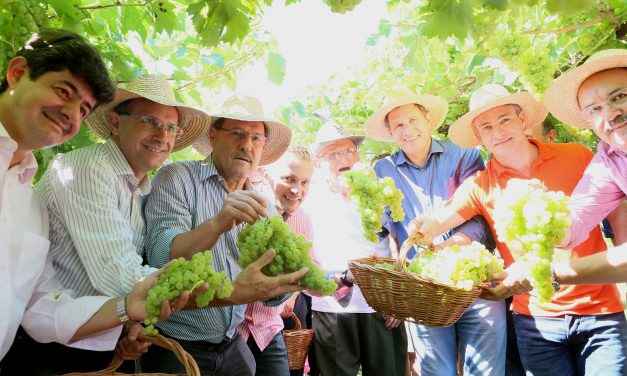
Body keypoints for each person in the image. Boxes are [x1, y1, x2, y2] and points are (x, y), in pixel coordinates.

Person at [0, 29, 191, 366]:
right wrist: (232, 292)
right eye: (63, 91)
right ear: (16, 74)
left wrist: (126, 314)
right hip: (51, 358)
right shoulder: (86, 169)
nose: (71, 113)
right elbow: (117, 275)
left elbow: (41, 306)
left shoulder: (28, 205)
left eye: (84, 109)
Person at [410, 83, 627, 375]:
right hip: (537, 323)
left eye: (505, 120)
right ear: (479, 137)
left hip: (600, 312)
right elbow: (440, 220)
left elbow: (617, 216)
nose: (498, 132)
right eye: (487, 127)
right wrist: (424, 227)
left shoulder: (577, 155)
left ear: (522, 119)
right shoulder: (479, 185)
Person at [141, 94, 307, 375]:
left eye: (256, 138)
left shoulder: (261, 198)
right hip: (174, 346)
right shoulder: (178, 178)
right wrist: (218, 223)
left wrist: (288, 279)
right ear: (214, 135)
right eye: (238, 134)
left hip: (231, 344)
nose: (247, 145)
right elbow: (160, 256)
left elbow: (269, 294)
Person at [364, 89, 504, 376]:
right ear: (390, 132)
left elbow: (480, 215)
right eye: (398, 125)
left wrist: (449, 247)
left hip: (474, 283)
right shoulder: (383, 170)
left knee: (486, 371)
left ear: (427, 119)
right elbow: (384, 232)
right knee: (436, 371)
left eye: (413, 119)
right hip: (423, 291)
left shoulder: (463, 155)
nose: (408, 130)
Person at [303, 120, 407, 376]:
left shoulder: (380, 193)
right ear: (318, 163)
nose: (343, 158)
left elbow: (400, 246)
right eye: (333, 153)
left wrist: (400, 299)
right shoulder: (308, 199)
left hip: (382, 307)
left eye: (349, 151)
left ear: (358, 156)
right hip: (332, 308)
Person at [237, 145, 316, 376]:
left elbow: (309, 268)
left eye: (305, 182)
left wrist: (346, 278)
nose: (296, 189)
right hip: (232, 331)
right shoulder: (245, 208)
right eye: (288, 178)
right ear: (264, 173)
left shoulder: (303, 219)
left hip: (268, 330)